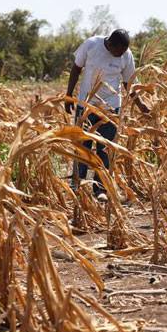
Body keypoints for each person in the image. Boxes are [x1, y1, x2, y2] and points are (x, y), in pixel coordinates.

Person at [65, 29, 150, 202]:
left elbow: (128, 83)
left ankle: (100, 189)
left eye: (123, 52)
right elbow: (76, 69)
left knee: (106, 149)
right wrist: (69, 96)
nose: (120, 55)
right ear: (110, 44)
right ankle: (77, 184)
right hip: (87, 104)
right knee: (83, 146)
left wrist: (141, 105)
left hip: (112, 108)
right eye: (118, 51)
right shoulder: (91, 45)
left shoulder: (126, 55)